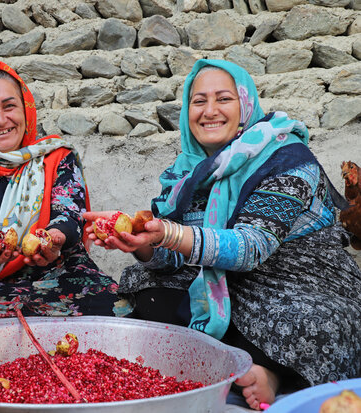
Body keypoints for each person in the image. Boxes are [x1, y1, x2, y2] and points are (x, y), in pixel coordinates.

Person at [84, 59, 361, 410]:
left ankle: (273, 372)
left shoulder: (288, 160)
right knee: (147, 289)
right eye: (198, 101)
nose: (209, 111)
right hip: (227, 284)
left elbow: (250, 247)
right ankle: (244, 364)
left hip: (299, 288)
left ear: (245, 105)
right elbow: (174, 254)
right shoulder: (189, 170)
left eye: (223, 99)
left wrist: (167, 232)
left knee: (319, 327)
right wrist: (144, 244)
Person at [0, 61, 131, 321]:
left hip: (66, 274)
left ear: (26, 108)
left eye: (9, 106)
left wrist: (52, 240)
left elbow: (70, 213)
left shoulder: (56, 157)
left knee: (116, 315)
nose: (0, 120)